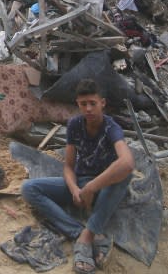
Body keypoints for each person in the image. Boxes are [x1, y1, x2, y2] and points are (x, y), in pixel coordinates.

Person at [21, 78, 135, 273]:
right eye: (84, 104)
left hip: (104, 186)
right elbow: (68, 166)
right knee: (29, 188)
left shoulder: (111, 127)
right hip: (82, 183)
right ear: (78, 104)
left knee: (124, 173)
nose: (88, 109)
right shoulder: (74, 124)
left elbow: (127, 162)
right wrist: (75, 189)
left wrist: (92, 187)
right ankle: (79, 232)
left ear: (103, 103)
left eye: (93, 103)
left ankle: (88, 234)